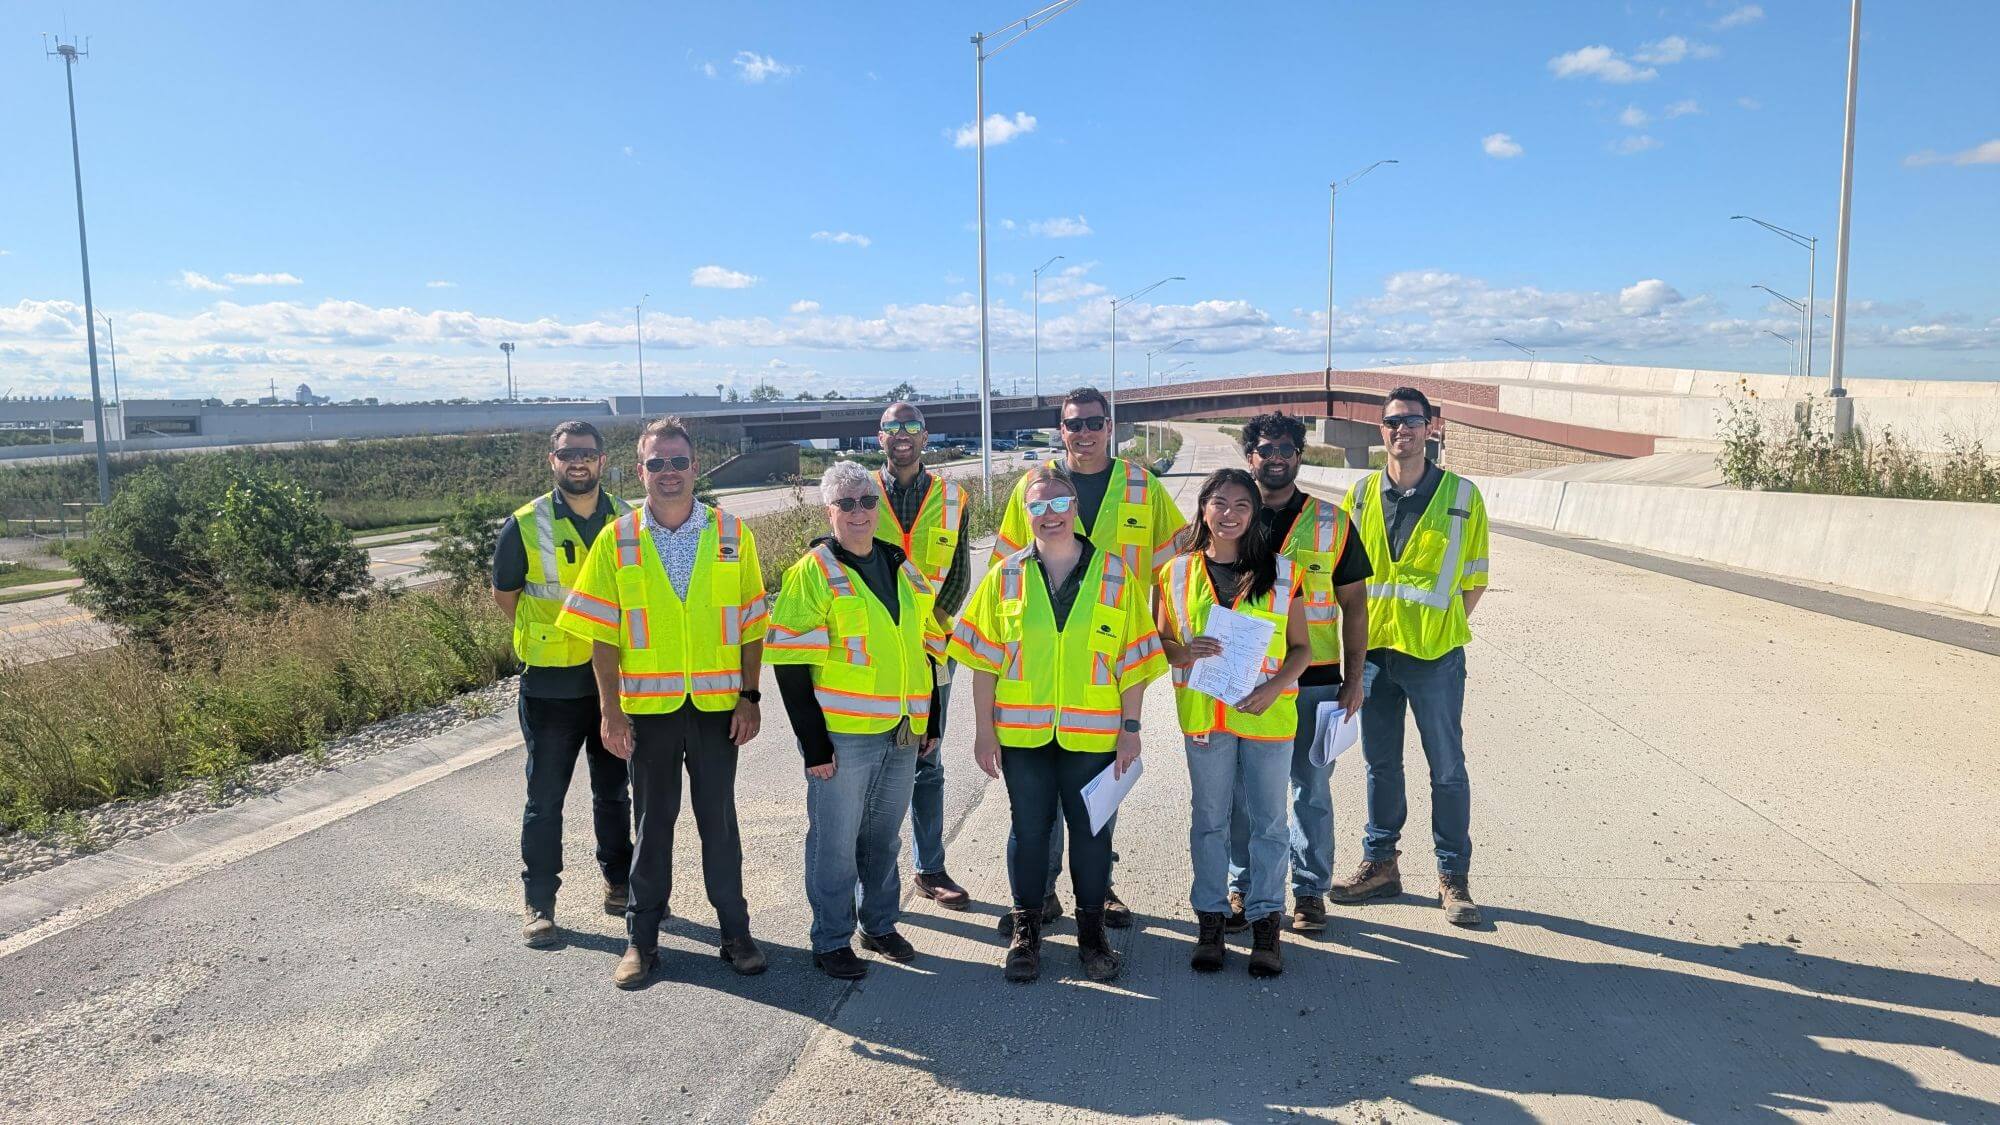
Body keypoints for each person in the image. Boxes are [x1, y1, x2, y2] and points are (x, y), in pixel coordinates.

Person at [556, 417, 770, 989]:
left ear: (694, 466)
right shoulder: (618, 539)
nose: (668, 473)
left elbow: (752, 624)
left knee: (719, 824)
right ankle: (640, 941)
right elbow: (603, 634)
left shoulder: (732, 534)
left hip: (717, 708)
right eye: (657, 463)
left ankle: (735, 932)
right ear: (640, 469)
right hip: (648, 711)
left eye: (678, 462)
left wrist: (750, 696)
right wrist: (609, 709)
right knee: (652, 826)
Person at [950, 466, 1165, 983]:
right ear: (1025, 515)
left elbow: (1134, 663)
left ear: (1074, 509)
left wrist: (1130, 729)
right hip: (1023, 737)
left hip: (1093, 735)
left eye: (1057, 504)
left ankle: (1092, 936)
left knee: (1090, 834)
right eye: (1037, 506)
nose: (1048, 515)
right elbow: (983, 662)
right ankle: (1027, 932)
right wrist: (984, 731)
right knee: (1029, 831)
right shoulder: (1004, 576)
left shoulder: (1115, 576)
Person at [991, 386, 1187, 932]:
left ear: (1111, 425)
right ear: (1061, 429)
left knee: (1097, 800)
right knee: (1035, 811)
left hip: (1109, 657)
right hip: (1042, 662)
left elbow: (1174, 569)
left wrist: (1169, 639)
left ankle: (1102, 892)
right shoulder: (1034, 486)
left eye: (1093, 422)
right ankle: (1038, 895)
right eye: (1073, 424)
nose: (1084, 432)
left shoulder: (1142, 486)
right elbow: (1005, 570)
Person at [767, 461, 946, 980]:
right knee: (835, 842)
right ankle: (830, 938)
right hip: (844, 736)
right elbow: (791, 664)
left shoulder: (898, 562)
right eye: (846, 504)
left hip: (902, 729)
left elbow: (927, 646)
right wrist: (813, 745)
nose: (859, 512)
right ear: (829, 510)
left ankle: (880, 924)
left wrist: (930, 718)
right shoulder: (814, 571)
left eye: (866, 500)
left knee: (884, 838)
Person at [1330, 387, 1490, 927]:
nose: (1403, 430)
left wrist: (1441, 628)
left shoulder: (1463, 496)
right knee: (1380, 765)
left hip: (1433, 655)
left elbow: (1473, 580)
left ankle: (1453, 875)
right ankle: (1381, 864)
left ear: (1430, 428)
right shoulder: (1359, 497)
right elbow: (1347, 579)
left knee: (1446, 768)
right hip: (1373, 652)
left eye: (1413, 421)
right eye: (1393, 422)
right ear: (1382, 432)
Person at [1157, 468, 1312, 978]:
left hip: (1267, 716)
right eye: (1219, 503)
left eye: (1241, 505)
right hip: (1205, 716)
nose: (1229, 514)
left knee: (1269, 824)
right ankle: (1211, 921)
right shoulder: (1175, 573)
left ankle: (1267, 923)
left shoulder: (1283, 573)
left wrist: (1272, 687)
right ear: (1203, 509)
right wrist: (1185, 650)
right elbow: (1161, 645)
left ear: (1254, 514)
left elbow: (1301, 650)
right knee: (1210, 822)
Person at [1223, 412, 1371, 935]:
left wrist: (1355, 679)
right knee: (1244, 793)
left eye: (1287, 447)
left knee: (1310, 790)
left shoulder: (1331, 522)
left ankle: (1309, 892)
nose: (1277, 456)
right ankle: (1243, 888)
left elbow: (1355, 605)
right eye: (1267, 449)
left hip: (1318, 680)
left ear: (1300, 455)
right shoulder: (1231, 519)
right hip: (1250, 683)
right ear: (1251, 457)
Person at [493, 420, 636, 948]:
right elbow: (507, 595)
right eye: (567, 453)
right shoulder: (525, 524)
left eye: (587, 453)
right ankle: (539, 902)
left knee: (613, 793)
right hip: (551, 687)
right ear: (551, 460)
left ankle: (618, 882)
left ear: (603, 460)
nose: (578, 462)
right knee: (544, 798)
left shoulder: (628, 519)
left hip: (616, 684)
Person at [873, 402, 974, 911]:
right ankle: (873, 874)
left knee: (927, 760)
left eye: (911, 427)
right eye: (893, 427)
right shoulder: (861, 493)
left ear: (925, 436)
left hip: (934, 652)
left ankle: (929, 868)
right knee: (874, 763)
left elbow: (958, 576)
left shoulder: (953, 497)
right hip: (874, 654)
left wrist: (925, 630)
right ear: (880, 437)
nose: (903, 435)